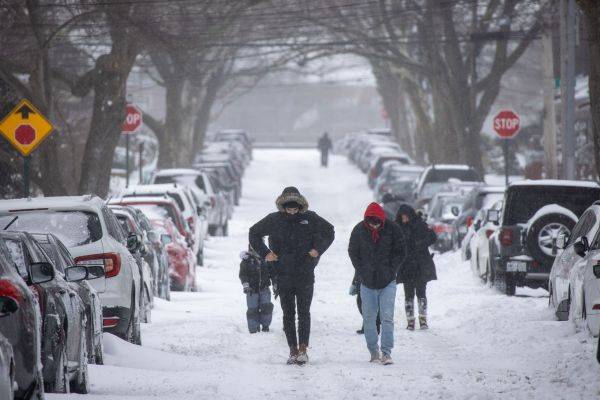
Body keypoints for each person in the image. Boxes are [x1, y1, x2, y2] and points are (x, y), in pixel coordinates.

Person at [249, 187, 335, 365]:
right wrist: (266, 253)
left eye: (295, 209)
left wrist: (318, 250)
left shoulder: (310, 218)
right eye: (289, 209)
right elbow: (254, 232)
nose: (292, 212)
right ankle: (292, 350)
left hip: (305, 273)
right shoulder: (274, 220)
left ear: (300, 206)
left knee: (304, 313)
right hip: (282, 274)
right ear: (283, 206)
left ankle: (303, 349)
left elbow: (329, 231)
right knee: (288, 314)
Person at [348, 202, 405, 365]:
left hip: (388, 281)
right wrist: (362, 271)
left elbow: (400, 251)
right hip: (366, 282)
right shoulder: (359, 231)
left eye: (378, 223)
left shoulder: (393, 229)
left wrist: (391, 269)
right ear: (367, 221)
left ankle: (386, 352)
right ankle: (374, 351)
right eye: (372, 223)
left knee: (387, 317)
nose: (375, 226)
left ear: (382, 220)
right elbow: (353, 252)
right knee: (369, 318)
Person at [395, 204, 437, 330]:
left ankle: (423, 319)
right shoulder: (397, 228)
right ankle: (410, 321)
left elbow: (432, 237)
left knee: (421, 293)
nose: (404, 218)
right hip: (406, 266)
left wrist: (420, 244)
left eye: (406, 216)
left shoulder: (420, 225)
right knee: (408, 295)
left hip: (420, 264)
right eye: (402, 216)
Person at [239, 247, 274, 333]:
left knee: (266, 307)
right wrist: (246, 285)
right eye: (253, 249)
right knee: (252, 309)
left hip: (264, 287)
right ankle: (253, 328)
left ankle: (265, 326)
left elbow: (272, 272)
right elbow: (243, 275)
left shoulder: (266, 259)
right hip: (251, 289)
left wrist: (275, 283)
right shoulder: (246, 261)